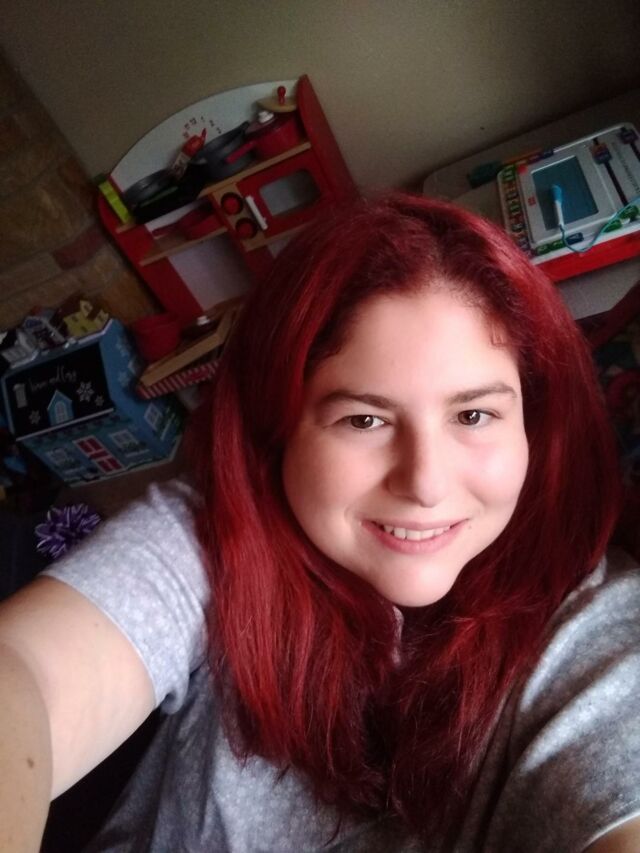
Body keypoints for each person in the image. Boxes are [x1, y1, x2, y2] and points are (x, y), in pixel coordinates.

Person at [0, 192, 638, 852]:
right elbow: (24, 673)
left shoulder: (595, 634)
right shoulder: (218, 537)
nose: (425, 483)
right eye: (364, 419)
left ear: (535, 422)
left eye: (473, 415)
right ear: (278, 431)